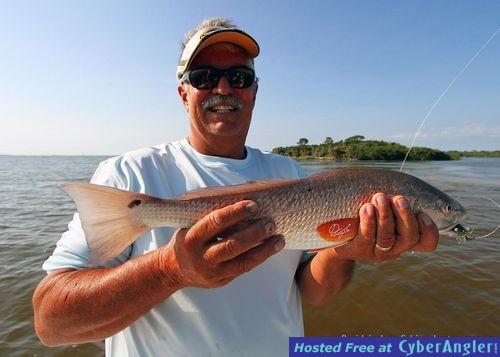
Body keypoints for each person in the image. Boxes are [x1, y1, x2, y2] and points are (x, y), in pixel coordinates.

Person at [33, 18, 439, 356]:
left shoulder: (295, 174)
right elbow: (51, 322)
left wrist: (345, 251)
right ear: (183, 92)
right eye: (205, 76)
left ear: (254, 91)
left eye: (239, 76)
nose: (223, 89)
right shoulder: (128, 175)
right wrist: (170, 270)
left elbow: (313, 293)